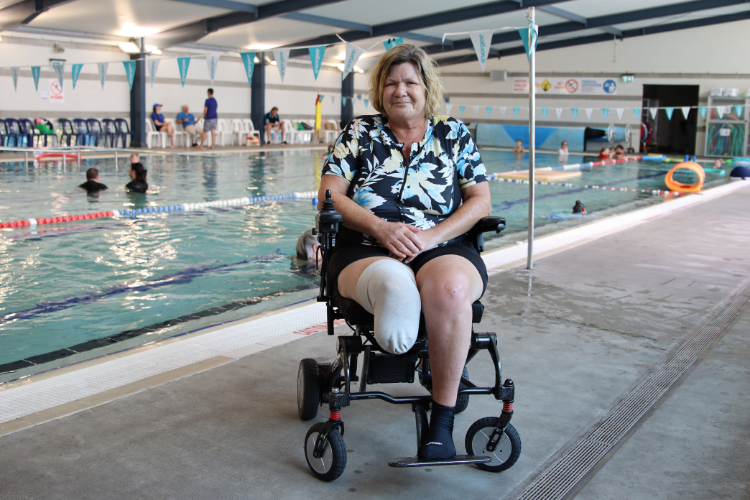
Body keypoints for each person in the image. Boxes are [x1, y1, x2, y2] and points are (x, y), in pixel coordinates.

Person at [320, 44, 490, 461]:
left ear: (426, 87)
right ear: (380, 90)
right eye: (391, 82)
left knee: (450, 291)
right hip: (364, 249)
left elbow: (480, 202)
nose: (401, 90)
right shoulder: (358, 134)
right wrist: (380, 227)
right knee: (396, 286)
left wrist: (431, 237)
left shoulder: (453, 135)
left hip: (441, 247)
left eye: (410, 82)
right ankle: (399, 305)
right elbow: (328, 194)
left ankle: (443, 424)